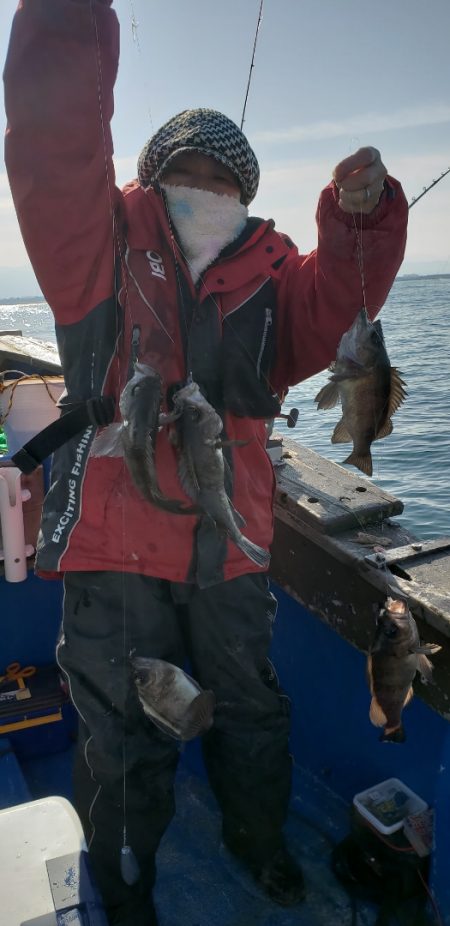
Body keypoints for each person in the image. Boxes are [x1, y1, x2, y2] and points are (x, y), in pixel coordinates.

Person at [3, 2, 408, 924]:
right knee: (123, 731)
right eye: (183, 175)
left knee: (252, 711)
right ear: (148, 181)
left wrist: (364, 214)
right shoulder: (91, 255)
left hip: (232, 548)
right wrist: (66, 20)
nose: (203, 188)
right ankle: (127, 875)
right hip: (115, 549)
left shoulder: (277, 282)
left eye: (221, 179)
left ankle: (256, 844)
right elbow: (53, 145)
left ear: (247, 193)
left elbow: (347, 291)